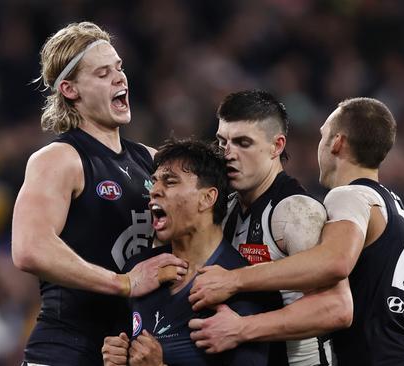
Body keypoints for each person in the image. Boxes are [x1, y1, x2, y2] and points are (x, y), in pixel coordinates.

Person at [189, 97, 404, 365]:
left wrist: (234, 283)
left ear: (337, 142)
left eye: (322, 136)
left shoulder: (349, 197)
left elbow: (334, 263)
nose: (228, 153)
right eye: (223, 142)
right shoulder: (394, 207)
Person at [11, 22, 187, 366]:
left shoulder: (151, 160)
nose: (120, 79)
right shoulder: (59, 158)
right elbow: (29, 248)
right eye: (103, 73)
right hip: (66, 350)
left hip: (128, 352)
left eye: (119, 68)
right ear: (69, 89)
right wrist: (123, 283)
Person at [102, 139, 276, 366]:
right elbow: (121, 342)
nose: (153, 191)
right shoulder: (139, 270)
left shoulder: (245, 289)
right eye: (154, 183)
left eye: (170, 182)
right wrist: (114, 357)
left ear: (207, 198)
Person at [212, 90, 353, 365]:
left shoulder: (296, 212)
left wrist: (241, 329)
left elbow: (337, 308)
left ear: (277, 146)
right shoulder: (225, 210)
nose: (228, 154)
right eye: (222, 142)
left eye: (243, 143)